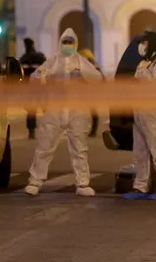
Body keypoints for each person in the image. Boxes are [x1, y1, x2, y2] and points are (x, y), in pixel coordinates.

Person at [24, 28, 109, 197]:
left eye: (70, 43)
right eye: (65, 42)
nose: (68, 46)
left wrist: (83, 74)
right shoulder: (52, 62)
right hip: (55, 110)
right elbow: (35, 78)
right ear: (60, 43)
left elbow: (97, 78)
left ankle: (83, 183)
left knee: (79, 148)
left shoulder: (82, 62)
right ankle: (35, 181)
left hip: (78, 111)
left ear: (75, 44)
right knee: (45, 147)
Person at [124, 31, 156, 201]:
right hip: (140, 112)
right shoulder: (143, 64)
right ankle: (140, 186)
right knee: (140, 152)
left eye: (144, 43)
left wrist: (141, 77)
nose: (142, 47)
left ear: (151, 44)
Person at [20, 38, 47, 139]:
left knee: (31, 110)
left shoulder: (23, 58)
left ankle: (31, 132)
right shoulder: (40, 57)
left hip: (29, 88)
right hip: (40, 86)